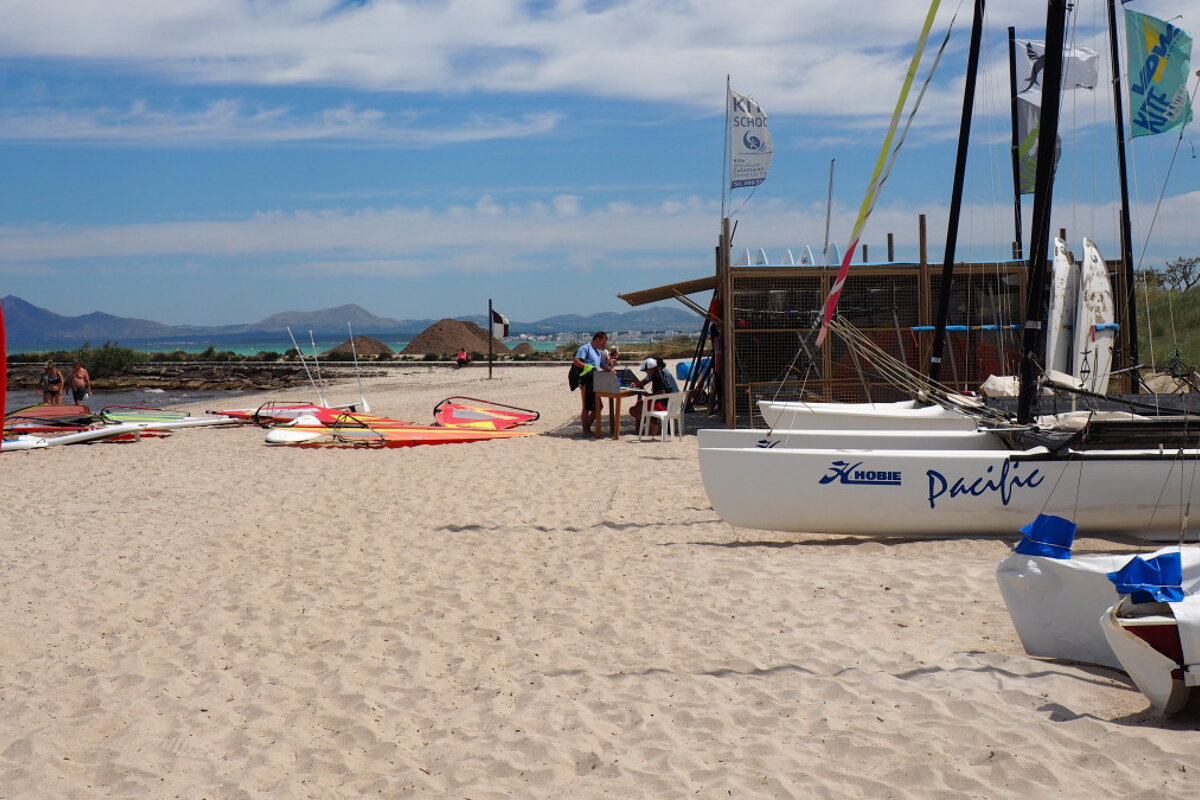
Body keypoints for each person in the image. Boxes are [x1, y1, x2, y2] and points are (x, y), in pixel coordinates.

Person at [572, 331, 612, 436]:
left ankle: (587, 428)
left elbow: (602, 365)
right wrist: (588, 367)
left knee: (599, 406)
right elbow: (576, 361)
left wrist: (610, 370)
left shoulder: (598, 352)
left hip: (596, 381)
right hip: (586, 380)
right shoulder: (585, 348)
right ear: (597, 339)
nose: (604, 345)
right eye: (603, 343)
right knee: (586, 406)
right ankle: (586, 430)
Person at [629, 356, 673, 435]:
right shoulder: (662, 373)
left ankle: (653, 425)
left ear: (651, 369)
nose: (646, 372)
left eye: (647, 370)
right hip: (669, 402)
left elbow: (661, 393)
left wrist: (648, 395)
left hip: (661, 404)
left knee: (633, 410)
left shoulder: (656, 376)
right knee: (639, 404)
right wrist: (638, 385)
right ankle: (653, 425)